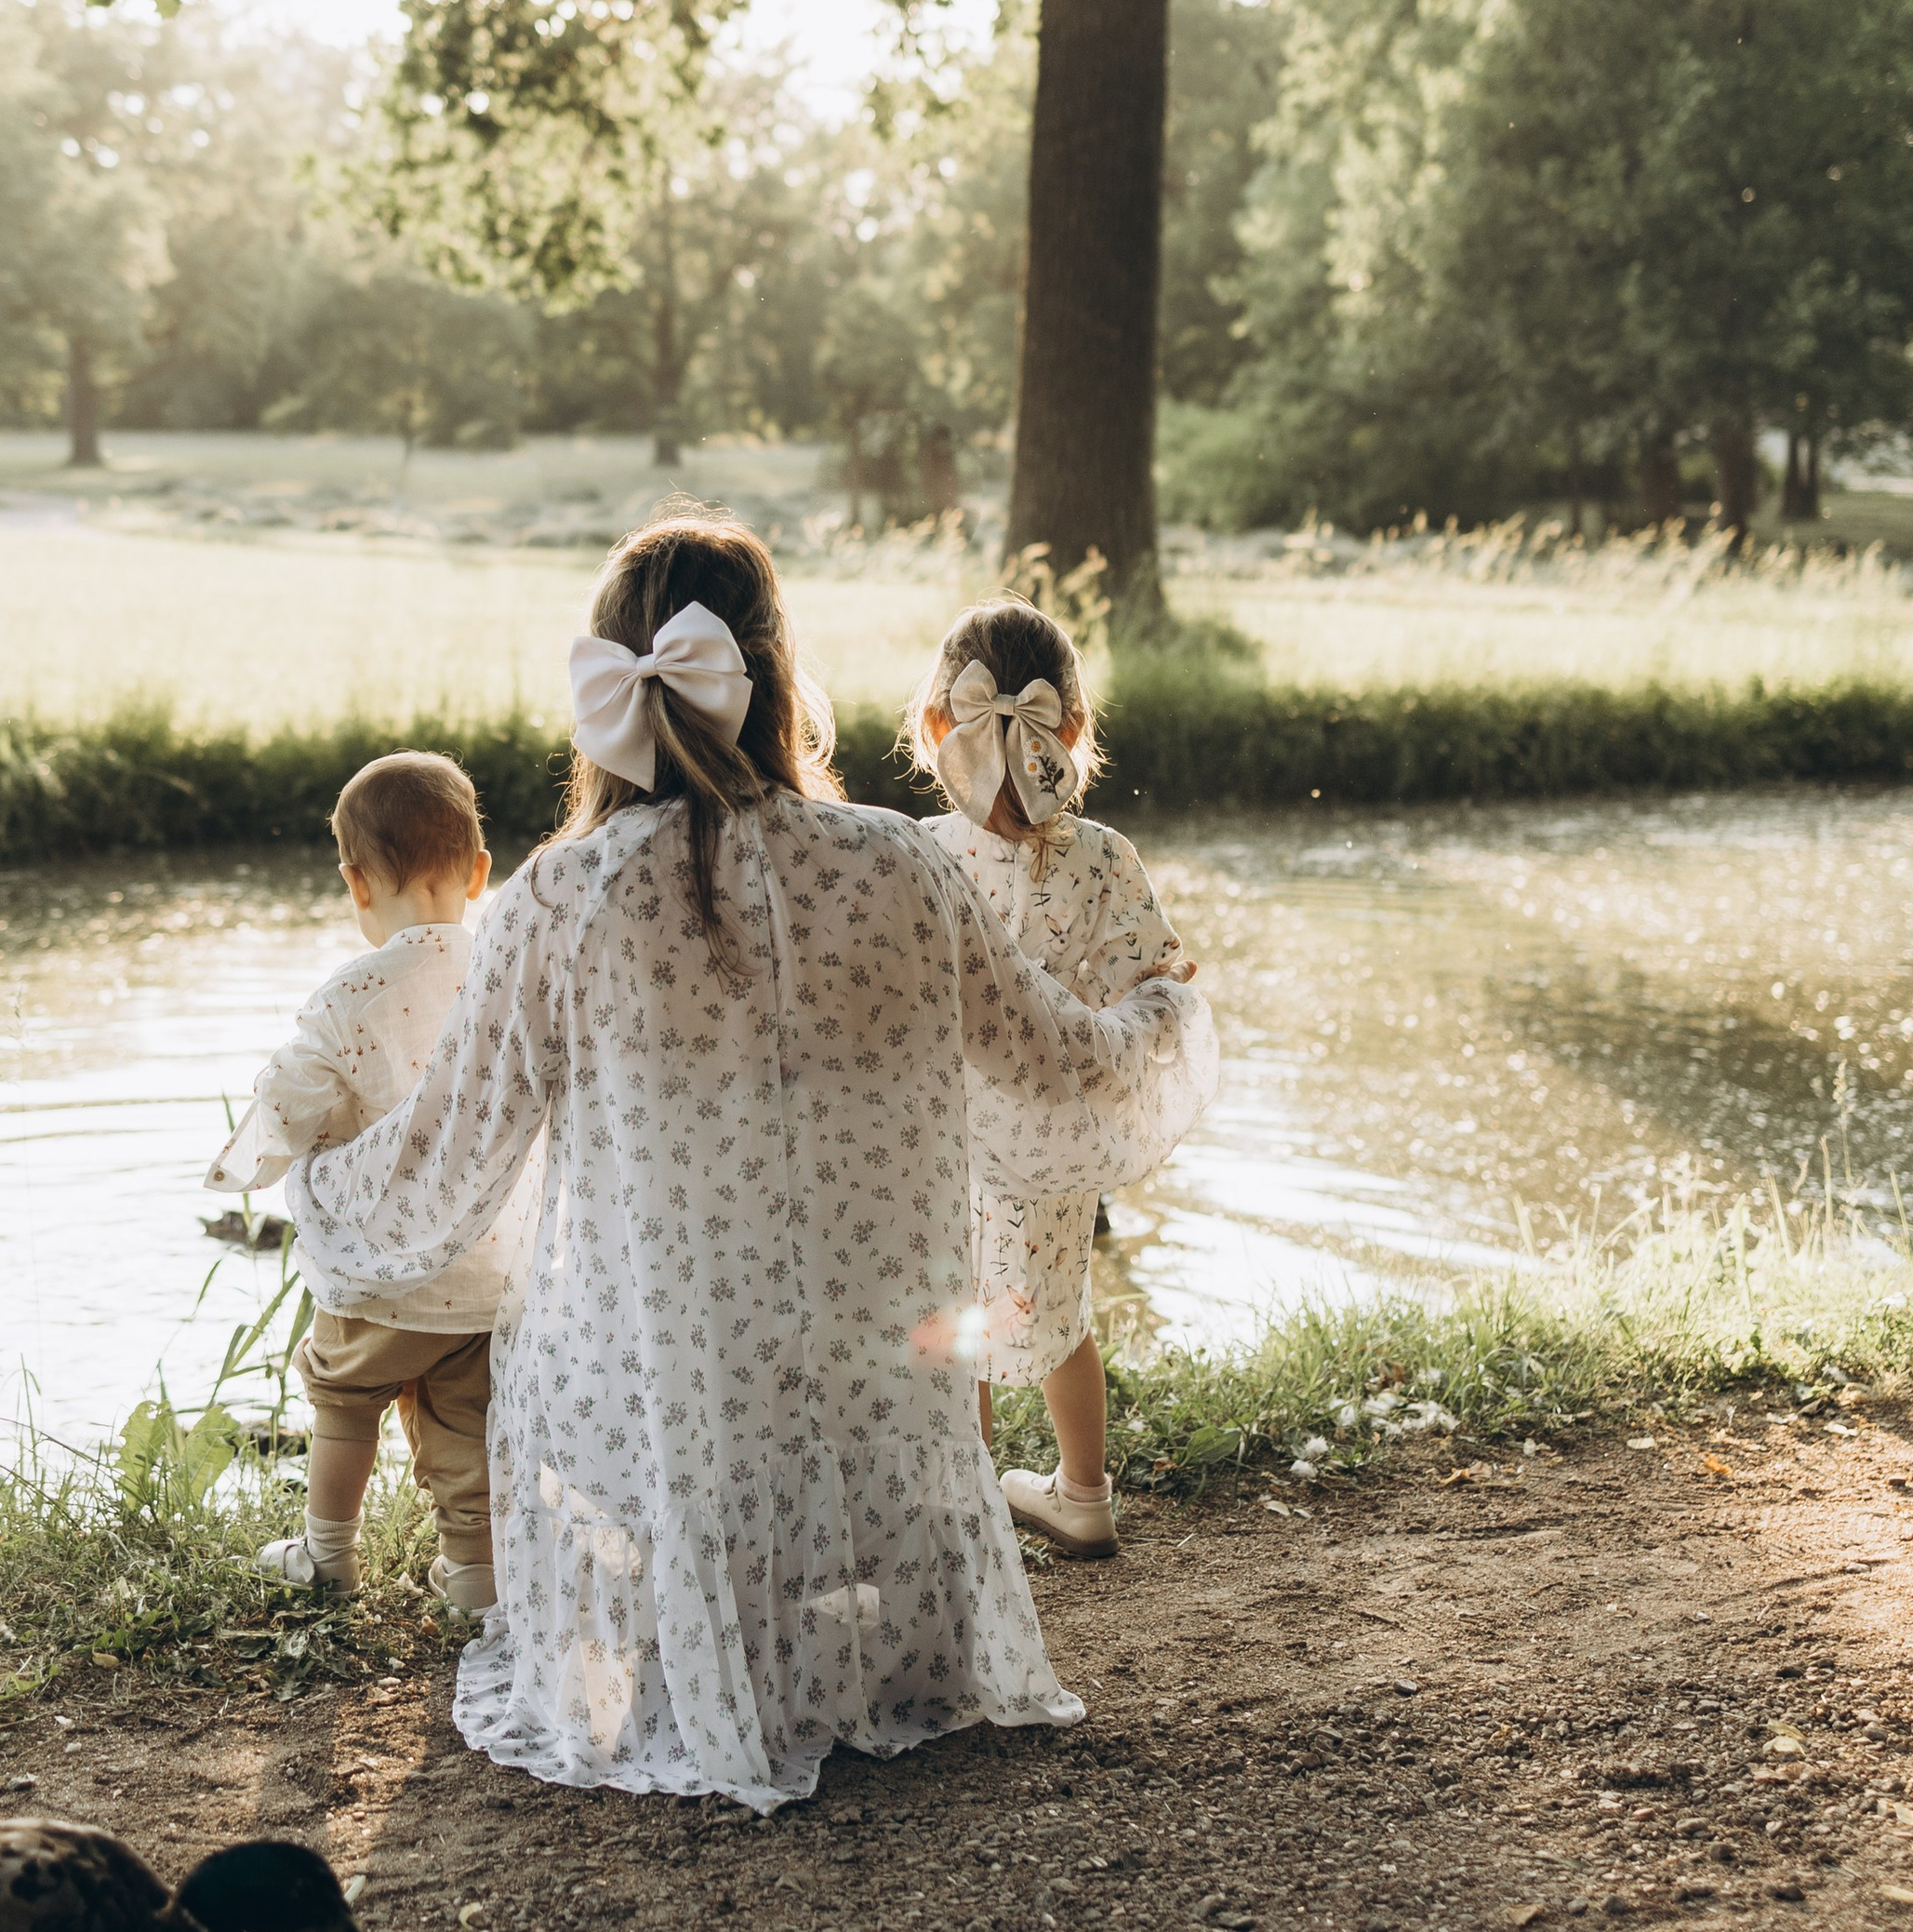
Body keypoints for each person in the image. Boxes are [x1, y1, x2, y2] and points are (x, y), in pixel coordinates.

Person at [284, 511, 1218, 1813]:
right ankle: (881, 1631)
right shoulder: (900, 864)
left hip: (666, 1405)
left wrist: (309, 1164)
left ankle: (704, 1634)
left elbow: (444, 1165)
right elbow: (1059, 1061)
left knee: (600, 1342)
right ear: (778, 675)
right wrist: (1162, 1019)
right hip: (878, 1392)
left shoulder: (558, 898)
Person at [908, 597, 1186, 1562]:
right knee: (1059, 1311)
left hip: (941, 1136)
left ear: (934, 730)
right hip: (1056, 1137)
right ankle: (1082, 1494)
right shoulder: (1106, 855)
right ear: (1071, 729)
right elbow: (1150, 988)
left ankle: (971, 1510)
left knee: (953, 1318)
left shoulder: (921, 854)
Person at [207, 750, 519, 1610]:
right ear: (481, 870)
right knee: (467, 1421)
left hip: (381, 1276)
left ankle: (328, 1555)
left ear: (355, 883)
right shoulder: (504, 973)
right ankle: (476, 1579)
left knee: (342, 1393)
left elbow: (293, 1098)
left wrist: (253, 1160)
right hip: (486, 1272)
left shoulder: (351, 994)